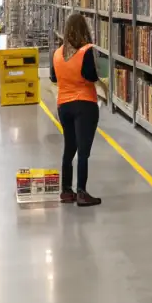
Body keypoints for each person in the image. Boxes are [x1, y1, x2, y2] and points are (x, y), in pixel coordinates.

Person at [51, 13, 106, 207]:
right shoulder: (86, 51)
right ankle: (82, 192)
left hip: (63, 105)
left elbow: (53, 78)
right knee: (83, 152)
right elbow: (90, 76)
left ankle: (66, 191)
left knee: (69, 148)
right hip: (85, 105)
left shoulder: (57, 53)